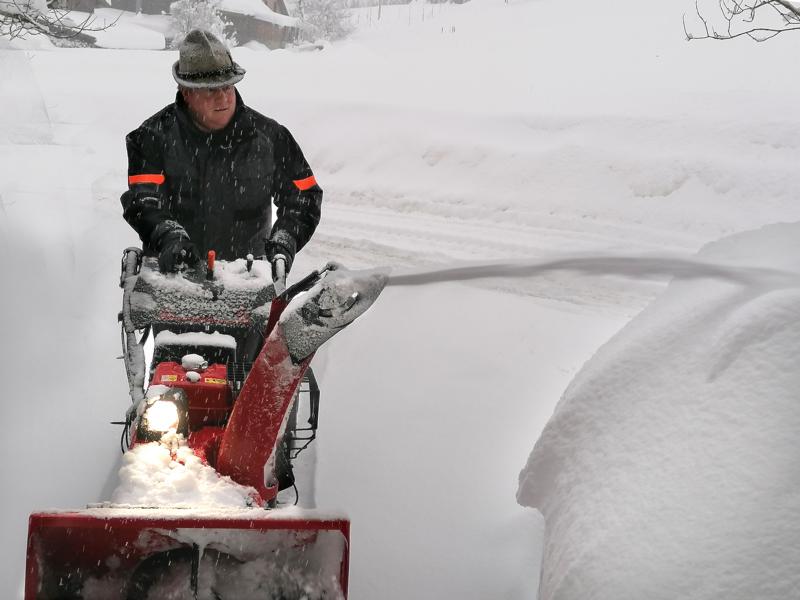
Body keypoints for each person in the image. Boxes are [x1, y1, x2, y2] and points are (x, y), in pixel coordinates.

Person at [120, 29, 322, 278]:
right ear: (186, 92)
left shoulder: (270, 137)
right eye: (210, 90)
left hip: (248, 281)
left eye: (227, 86)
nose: (223, 97)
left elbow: (304, 196)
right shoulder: (151, 138)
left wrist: (284, 242)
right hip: (173, 280)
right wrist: (168, 236)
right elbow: (143, 201)